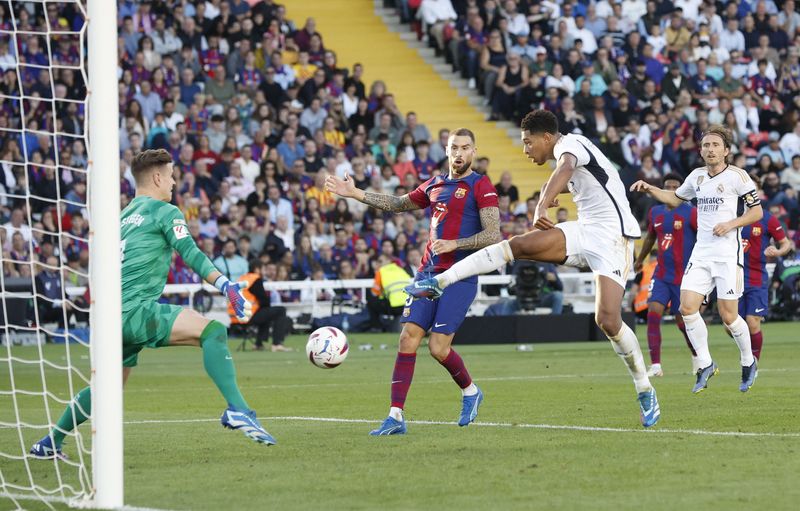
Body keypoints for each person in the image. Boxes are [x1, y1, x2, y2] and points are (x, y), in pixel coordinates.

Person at [406, 110, 660, 428]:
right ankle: (441, 280)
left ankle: (644, 389)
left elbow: (567, 167)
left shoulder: (573, 144)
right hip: (585, 230)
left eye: (528, 143)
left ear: (546, 138)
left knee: (607, 320)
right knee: (520, 245)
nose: (526, 150)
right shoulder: (573, 153)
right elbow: (588, 179)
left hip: (613, 238)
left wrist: (543, 201)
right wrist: (556, 192)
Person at [30, 150, 275, 460]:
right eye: (171, 176)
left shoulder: (121, 218)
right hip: (136, 312)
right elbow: (191, 251)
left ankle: (50, 442)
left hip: (107, 317)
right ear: (158, 177)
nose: (173, 183)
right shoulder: (165, 211)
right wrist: (224, 284)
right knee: (213, 332)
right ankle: (239, 409)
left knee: (107, 390)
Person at [325, 128, 501, 435]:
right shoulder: (435, 183)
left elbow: (492, 234)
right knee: (407, 337)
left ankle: (471, 392)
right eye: (454, 148)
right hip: (427, 273)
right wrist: (356, 194)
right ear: (447, 151)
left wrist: (455, 244)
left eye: (465, 148)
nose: (459, 153)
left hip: (458, 276)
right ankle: (395, 417)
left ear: (474, 151)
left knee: (437, 348)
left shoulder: (481, 185)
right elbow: (397, 203)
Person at [630, 125, 763, 393]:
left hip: (727, 254)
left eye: (715, 145)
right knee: (687, 308)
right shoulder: (696, 177)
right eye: (706, 146)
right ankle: (705, 363)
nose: (710, 149)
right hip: (701, 253)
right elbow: (675, 198)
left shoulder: (739, 177)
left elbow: (757, 212)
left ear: (726, 150)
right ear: (701, 151)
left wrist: (731, 224)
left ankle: (748, 362)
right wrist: (650, 188)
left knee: (728, 316)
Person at [632, 173, 698, 377]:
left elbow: (703, 240)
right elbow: (650, 237)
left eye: (675, 187)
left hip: (685, 277)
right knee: (653, 314)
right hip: (661, 274)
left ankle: (698, 357)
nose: (671, 190)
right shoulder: (655, 212)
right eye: (667, 186)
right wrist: (640, 259)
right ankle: (656, 366)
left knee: (682, 322)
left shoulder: (692, 213)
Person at [738, 183, 792, 360]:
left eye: (754, 190)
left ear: (759, 193)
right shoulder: (732, 215)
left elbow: (786, 244)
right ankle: (747, 351)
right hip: (733, 278)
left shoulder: (767, 218)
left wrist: (777, 251)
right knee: (731, 325)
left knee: (753, 321)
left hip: (755, 277)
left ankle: (753, 363)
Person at [230, 260, 293, 352]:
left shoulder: (242, 278)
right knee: (280, 310)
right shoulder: (255, 279)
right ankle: (277, 343)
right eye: (263, 269)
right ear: (257, 269)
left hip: (235, 318)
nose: (265, 272)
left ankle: (258, 344)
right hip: (247, 317)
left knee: (265, 312)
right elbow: (264, 300)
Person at [366, 253, 413, 331]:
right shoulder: (401, 269)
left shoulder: (380, 272)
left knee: (371, 302)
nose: (378, 264)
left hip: (395, 306)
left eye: (380, 261)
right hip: (410, 305)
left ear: (388, 261)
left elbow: (374, 293)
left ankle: (376, 328)